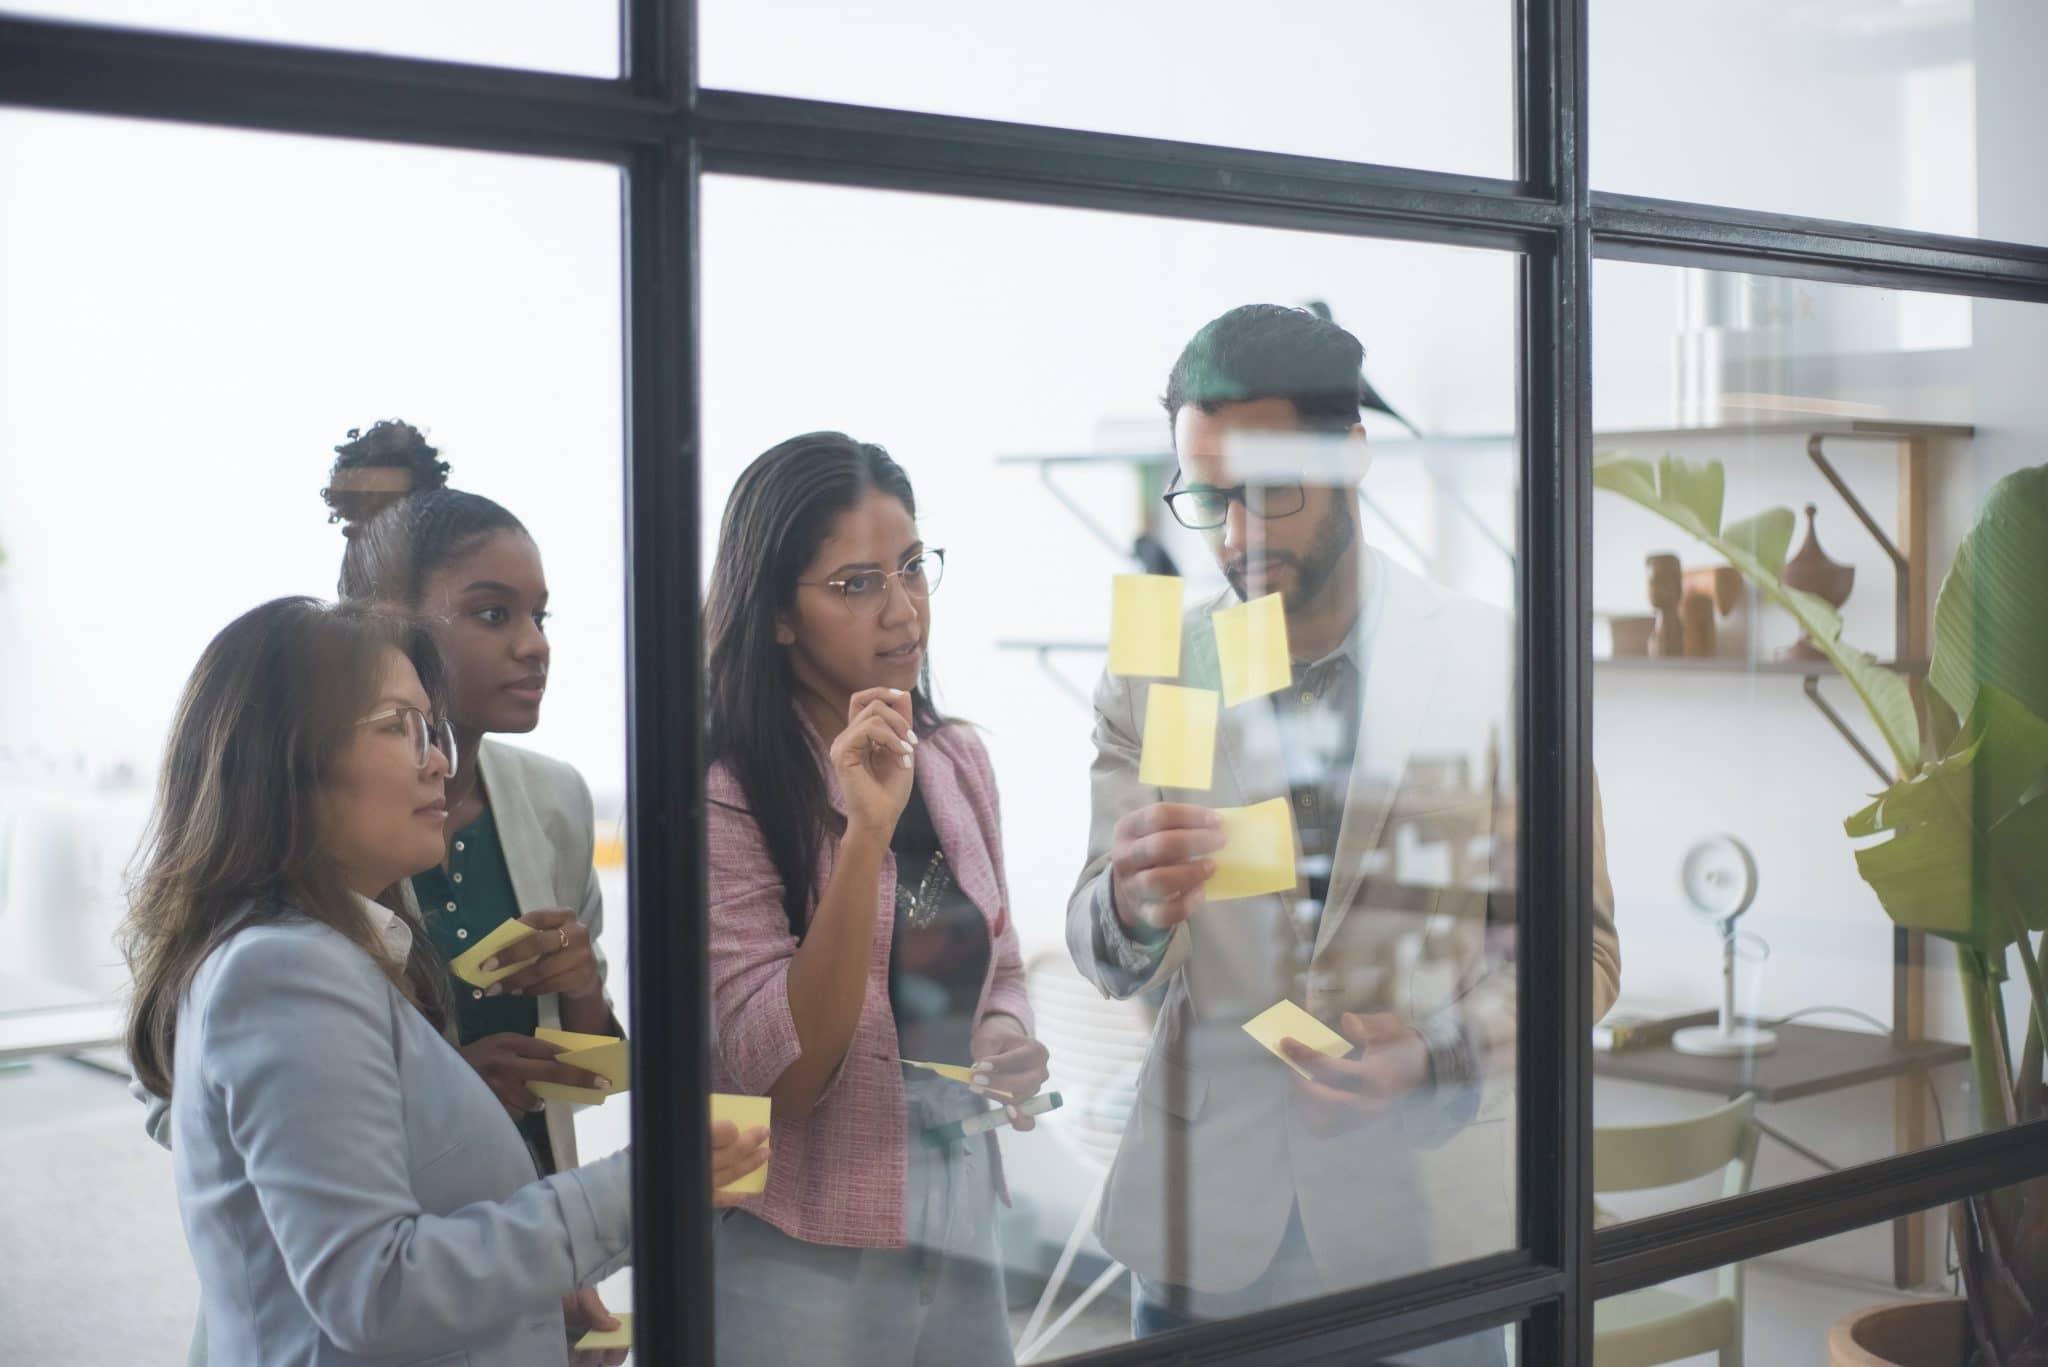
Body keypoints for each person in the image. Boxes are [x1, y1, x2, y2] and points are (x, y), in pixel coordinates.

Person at [1066, 305, 1621, 1359]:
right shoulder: (1155, 665)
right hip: (1202, 1239)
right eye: (1208, 497)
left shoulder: (1497, 663)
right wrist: (1129, 907)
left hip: (1422, 1235)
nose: (1236, 535)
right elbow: (1100, 944)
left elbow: (1578, 952)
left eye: (1272, 490)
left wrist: (1432, 1049)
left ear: (1352, 456)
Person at [120, 597, 653, 1364]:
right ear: (289, 761)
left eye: (431, 729)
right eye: (400, 725)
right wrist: (642, 1186)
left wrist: (534, 1303)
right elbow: (373, 1292)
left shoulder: (329, 954)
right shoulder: (284, 971)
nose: (440, 759)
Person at [703, 432, 1049, 1366]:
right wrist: (863, 833)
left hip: (959, 1207)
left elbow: (1002, 964)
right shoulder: (724, 790)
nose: (903, 613)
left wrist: (1004, 1039)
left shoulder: (955, 758)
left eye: (911, 569)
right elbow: (787, 1076)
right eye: (856, 585)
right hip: (800, 1234)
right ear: (777, 613)